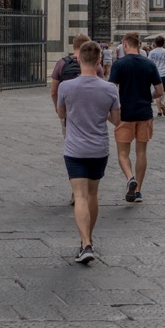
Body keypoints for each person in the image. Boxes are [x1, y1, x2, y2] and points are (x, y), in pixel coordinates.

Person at [55, 40, 120, 265]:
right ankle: (88, 239)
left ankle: (85, 243)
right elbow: (117, 120)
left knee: (80, 195)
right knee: (92, 194)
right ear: (99, 60)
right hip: (99, 149)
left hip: (75, 149)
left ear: (79, 59)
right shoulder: (110, 88)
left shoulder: (66, 87)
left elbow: (61, 113)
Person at [108, 32, 161, 203]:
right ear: (138, 45)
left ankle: (131, 178)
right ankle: (138, 191)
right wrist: (147, 97)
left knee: (123, 153)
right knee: (141, 152)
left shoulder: (119, 64)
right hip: (144, 113)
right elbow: (160, 91)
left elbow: (111, 90)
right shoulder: (149, 64)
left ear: (125, 44)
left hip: (125, 113)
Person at [48, 33, 86, 107]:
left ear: (73, 46)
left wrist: (58, 107)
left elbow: (53, 92)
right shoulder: (94, 64)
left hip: (68, 107)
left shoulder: (61, 63)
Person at [150, 38, 165, 117]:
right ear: (163, 43)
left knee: (157, 93)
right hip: (164, 74)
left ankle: (159, 111)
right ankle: (163, 103)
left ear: (155, 43)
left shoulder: (151, 52)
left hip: (154, 74)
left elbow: (149, 64)